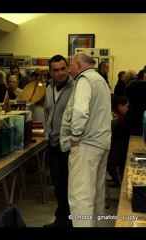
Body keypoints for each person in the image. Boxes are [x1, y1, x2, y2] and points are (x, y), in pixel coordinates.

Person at [60, 52, 111, 227]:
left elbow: (80, 112)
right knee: (96, 195)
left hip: (86, 145)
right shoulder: (100, 80)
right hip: (101, 143)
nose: (69, 69)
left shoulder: (84, 80)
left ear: (79, 65)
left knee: (80, 198)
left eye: (71, 65)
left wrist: (74, 136)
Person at [43, 55, 74, 228]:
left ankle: (69, 221)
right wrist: (47, 132)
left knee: (70, 185)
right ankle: (61, 218)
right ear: (51, 72)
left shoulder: (76, 87)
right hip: (53, 144)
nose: (61, 73)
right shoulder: (49, 87)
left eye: (63, 68)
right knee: (58, 184)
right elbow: (47, 112)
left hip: (68, 146)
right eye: (56, 70)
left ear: (68, 68)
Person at [107, 96, 129, 186]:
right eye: (126, 106)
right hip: (113, 154)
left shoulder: (113, 117)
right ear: (120, 106)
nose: (128, 109)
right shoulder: (118, 121)